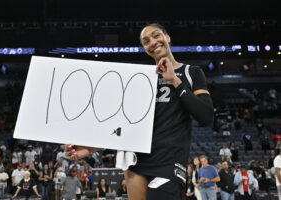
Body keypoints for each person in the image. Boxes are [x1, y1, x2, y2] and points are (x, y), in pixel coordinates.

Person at [65, 23, 214, 200]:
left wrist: (174, 80)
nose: (152, 42)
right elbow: (126, 126)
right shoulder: (141, 78)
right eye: (146, 41)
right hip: (137, 160)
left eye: (156, 35)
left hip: (169, 161)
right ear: (145, 48)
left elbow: (205, 116)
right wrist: (90, 148)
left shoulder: (192, 72)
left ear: (167, 37)